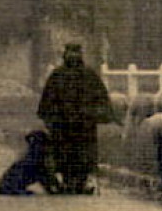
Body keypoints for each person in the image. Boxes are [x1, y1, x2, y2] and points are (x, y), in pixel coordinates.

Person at [36, 44, 115, 195]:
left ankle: (81, 183)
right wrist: (50, 117)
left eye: (76, 53)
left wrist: (98, 113)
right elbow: (47, 100)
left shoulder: (89, 75)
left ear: (80, 55)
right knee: (64, 154)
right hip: (62, 125)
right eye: (70, 53)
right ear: (65, 55)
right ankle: (68, 182)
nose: (73, 56)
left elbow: (101, 97)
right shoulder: (57, 75)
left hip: (84, 125)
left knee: (83, 154)